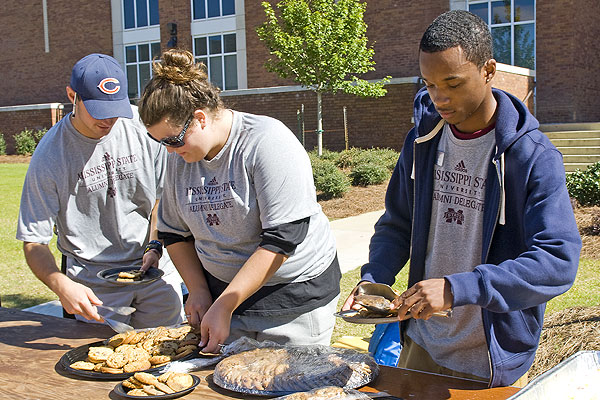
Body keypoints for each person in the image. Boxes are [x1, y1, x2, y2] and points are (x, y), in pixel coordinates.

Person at [342, 10, 581, 388]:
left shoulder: (532, 155)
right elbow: (396, 224)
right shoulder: (422, 141)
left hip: (487, 355)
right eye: (430, 84)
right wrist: (374, 279)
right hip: (421, 342)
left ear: (488, 70)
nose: (439, 97)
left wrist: (458, 289)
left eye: (452, 82)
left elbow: (558, 260)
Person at [136, 49, 340, 355]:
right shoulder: (180, 159)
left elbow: (283, 238)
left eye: (173, 140)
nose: (168, 150)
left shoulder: (266, 143)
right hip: (222, 298)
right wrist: (200, 291)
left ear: (200, 119)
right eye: (159, 142)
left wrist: (227, 303)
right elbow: (175, 234)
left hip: (292, 300)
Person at [16, 53, 185, 329]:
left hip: (155, 270)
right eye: (98, 111)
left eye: (114, 110)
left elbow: (161, 199)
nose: (108, 120)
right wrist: (62, 285)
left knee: (167, 357)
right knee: (105, 364)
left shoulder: (142, 128)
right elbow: (34, 241)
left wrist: (155, 244)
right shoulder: (50, 155)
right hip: (94, 284)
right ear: (73, 95)